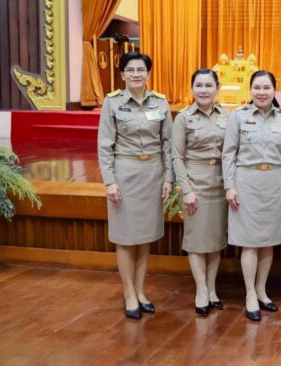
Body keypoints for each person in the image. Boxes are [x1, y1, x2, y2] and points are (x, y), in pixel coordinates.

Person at [97, 51, 173, 320]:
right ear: (122, 74)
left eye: (141, 69)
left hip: (153, 174)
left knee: (145, 236)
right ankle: (128, 292)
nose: (136, 74)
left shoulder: (160, 103)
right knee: (126, 237)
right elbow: (105, 145)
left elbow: (168, 144)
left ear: (148, 73)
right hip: (125, 174)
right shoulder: (113, 103)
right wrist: (110, 181)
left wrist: (169, 178)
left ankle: (140, 291)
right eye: (130, 70)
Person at [222, 70, 281, 322]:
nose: (261, 92)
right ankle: (250, 294)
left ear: (274, 91)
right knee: (250, 241)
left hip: (275, 183)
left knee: (268, 240)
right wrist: (230, 186)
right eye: (257, 88)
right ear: (250, 90)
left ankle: (262, 290)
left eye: (266, 88)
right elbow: (228, 154)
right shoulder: (238, 116)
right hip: (247, 182)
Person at [172, 68, 231, 317]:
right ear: (192, 88)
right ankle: (201, 290)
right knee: (196, 240)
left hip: (220, 182)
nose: (204, 90)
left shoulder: (228, 116)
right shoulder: (184, 118)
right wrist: (186, 190)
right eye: (199, 85)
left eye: (209, 85)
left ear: (217, 88)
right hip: (195, 183)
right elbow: (177, 156)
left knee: (215, 239)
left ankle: (212, 288)